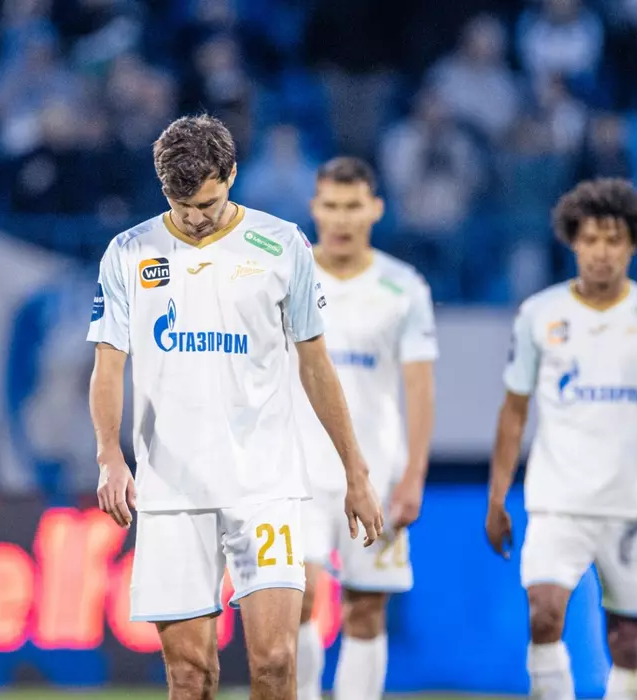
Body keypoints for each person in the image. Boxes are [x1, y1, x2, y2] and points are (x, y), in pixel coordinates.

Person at [88, 114, 385, 700]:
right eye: (180, 205)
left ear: (231, 175)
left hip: (263, 485)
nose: (195, 218)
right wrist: (108, 456)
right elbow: (108, 364)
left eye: (207, 202)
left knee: (275, 663)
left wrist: (355, 470)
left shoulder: (282, 244)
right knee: (190, 677)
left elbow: (316, 365)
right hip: (171, 492)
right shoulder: (128, 252)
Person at [485, 178, 637, 700]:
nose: (602, 252)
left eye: (614, 240)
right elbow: (513, 412)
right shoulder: (539, 314)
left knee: (626, 642)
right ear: (573, 242)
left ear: (633, 244)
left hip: (632, 504)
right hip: (557, 501)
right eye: (591, 239)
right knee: (544, 613)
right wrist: (497, 495)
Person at [292, 157, 438, 700]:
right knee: (296, 597)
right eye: (331, 205)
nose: (341, 218)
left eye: (352, 206)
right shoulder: (287, 275)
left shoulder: (404, 287)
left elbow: (419, 387)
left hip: (375, 474)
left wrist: (413, 476)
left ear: (375, 209)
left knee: (366, 607)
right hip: (296, 471)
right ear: (315, 208)